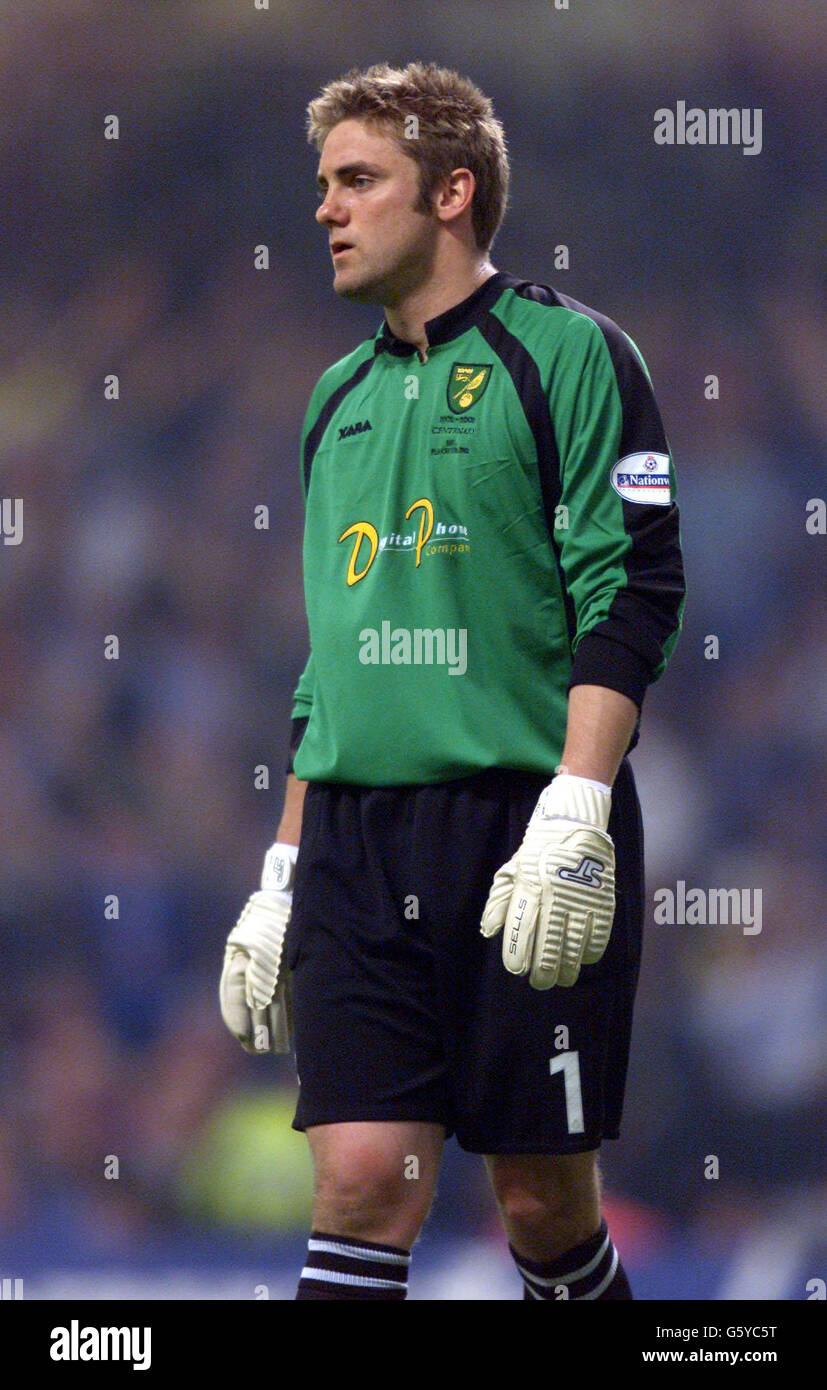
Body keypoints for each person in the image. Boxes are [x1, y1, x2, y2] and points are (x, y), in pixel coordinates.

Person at [220, 60, 685, 1301]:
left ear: (451, 192)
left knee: (537, 1201)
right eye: (323, 184)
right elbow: (332, 665)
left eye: (358, 180)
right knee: (362, 1179)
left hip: (522, 828)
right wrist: (279, 874)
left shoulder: (573, 353)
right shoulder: (332, 402)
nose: (325, 208)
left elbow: (631, 590)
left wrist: (579, 806)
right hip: (356, 842)